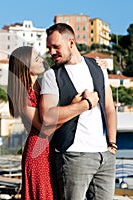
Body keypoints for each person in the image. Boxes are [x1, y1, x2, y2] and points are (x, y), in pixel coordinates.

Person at [39, 23, 117, 200]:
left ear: (71, 43)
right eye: (49, 48)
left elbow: (109, 108)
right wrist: (85, 104)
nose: (51, 52)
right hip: (73, 156)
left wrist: (112, 144)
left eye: (56, 47)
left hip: (104, 155)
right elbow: (47, 117)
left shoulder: (98, 67)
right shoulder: (52, 75)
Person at [7, 46, 59, 200]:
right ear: (25, 67)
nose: (42, 60)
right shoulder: (23, 96)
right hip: (38, 153)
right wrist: (76, 110)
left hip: (52, 150)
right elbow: (45, 129)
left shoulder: (45, 84)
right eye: (36, 59)